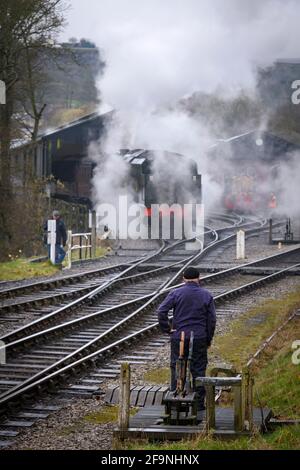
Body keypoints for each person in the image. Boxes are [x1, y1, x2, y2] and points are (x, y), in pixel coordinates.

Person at [157, 266, 216, 411]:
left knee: (176, 366)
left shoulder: (175, 293)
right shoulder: (206, 295)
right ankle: (199, 405)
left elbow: (161, 311)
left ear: (183, 279)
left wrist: (168, 329)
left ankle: (175, 403)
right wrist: (208, 339)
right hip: (199, 337)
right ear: (198, 278)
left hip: (179, 337)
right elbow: (212, 320)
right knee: (199, 369)